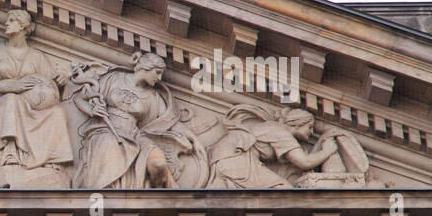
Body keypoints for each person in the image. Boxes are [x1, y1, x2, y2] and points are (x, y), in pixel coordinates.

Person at [70, 51, 206, 189]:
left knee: (158, 163)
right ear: (145, 67)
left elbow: (169, 122)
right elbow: (79, 98)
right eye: (157, 72)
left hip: (135, 135)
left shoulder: (154, 97)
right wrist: (92, 111)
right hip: (106, 130)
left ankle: (157, 200)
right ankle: (108, 191)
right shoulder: (114, 78)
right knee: (109, 146)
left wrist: (193, 138)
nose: (159, 78)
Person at [0, 9, 73, 188]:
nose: (6, 23)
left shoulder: (37, 56)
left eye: (12, 20)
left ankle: (52, 162)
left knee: (56, 112)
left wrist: (61, 81)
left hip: (32, 106)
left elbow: (51, 83)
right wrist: (11, 87)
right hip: (2, 100)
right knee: (11, 100)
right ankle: (9, 155)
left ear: (24, 27)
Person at [206, 104, 339, 188]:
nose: (312, 132)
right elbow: (304, 162)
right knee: (284, 191)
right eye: (309, 127)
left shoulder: (272, 128)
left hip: (224, 160)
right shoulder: (280, 133)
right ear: (297, 124)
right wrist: (328, 150)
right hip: (237, 162)